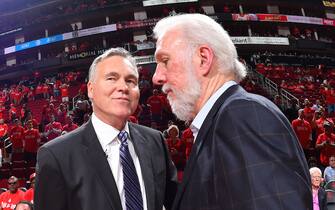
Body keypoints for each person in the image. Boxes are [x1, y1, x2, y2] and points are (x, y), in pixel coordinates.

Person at [152, 13, 312, 210]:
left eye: (165, 60)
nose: (156, 77)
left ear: (203, 59)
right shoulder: (223, 119)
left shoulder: (241, 115)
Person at [35, 47, 178, 210]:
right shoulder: (56, 155)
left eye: (131, 81)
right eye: (111, 78)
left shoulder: (155, 141)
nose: (123, 87)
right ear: (91, 89)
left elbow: (175, 202)